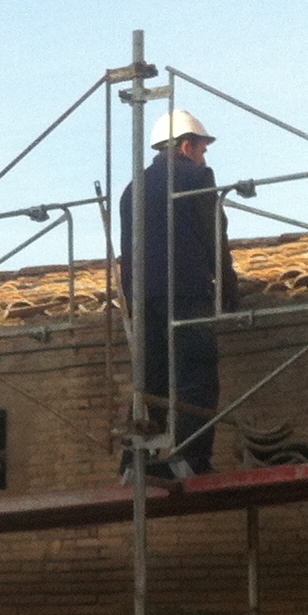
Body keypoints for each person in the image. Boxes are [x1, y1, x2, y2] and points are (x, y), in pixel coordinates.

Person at [119, 106, 239, 478]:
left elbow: (128, 248)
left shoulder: (131, 188)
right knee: (196, 370)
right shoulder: (195, 175)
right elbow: (212, 234)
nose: (204, 155)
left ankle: (134, 463)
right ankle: (190, 458)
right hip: (185, 288)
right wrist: (229, 289)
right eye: (202, 148)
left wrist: (132, 302)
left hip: (141, 296)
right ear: (187, 146)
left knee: (151, 378)